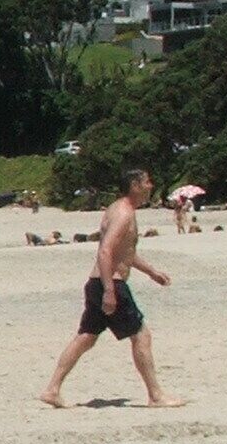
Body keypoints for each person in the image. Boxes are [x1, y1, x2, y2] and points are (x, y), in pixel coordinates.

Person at [38, 167, 180, 409]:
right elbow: (105, 251)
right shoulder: (124, 213)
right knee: (141, 335)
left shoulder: (118, 209)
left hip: (98, 283)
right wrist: (110, 290)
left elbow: (124, 253)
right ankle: (156, 396)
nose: (150, 186)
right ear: (134, 185)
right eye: (146, 182)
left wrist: (151, 272)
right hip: (109, 283)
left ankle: (52, 389)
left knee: (86, 337)